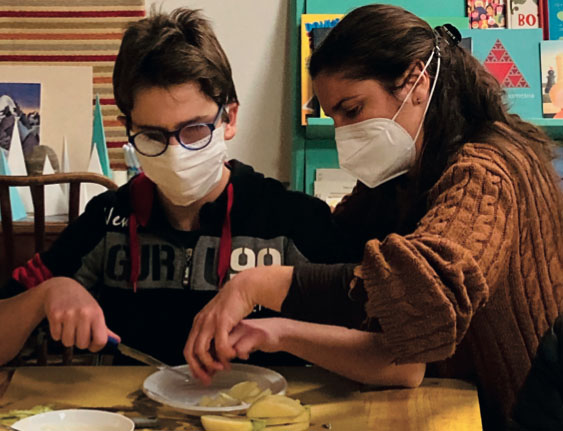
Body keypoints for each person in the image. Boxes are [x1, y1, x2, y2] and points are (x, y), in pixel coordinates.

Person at [184, 4, 563, 430]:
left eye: (353, 109)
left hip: (517, 413)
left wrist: (259, 284)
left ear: (416, 82)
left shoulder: (486, 172)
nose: (344, 132)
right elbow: (337, 244)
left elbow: (420, 291)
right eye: (333, 117)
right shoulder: (406, 169)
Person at [0, 8, 367, 368]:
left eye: (194, 130)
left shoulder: (293, 219)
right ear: (128, 129)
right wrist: (43, 296)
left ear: (229, 117)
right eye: (152, 135)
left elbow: (385, 352)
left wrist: (285, 332)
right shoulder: (108, 220)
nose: (176, 153)